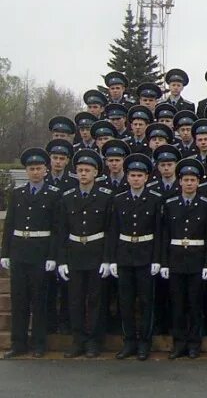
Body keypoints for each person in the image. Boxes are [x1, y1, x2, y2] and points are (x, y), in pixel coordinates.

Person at [1, 148, 61, 358]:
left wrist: (53, 256)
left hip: (41, 251)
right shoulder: (17, 193)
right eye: (31, 169)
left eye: (38, 168)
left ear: (46, 170)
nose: (35, 172)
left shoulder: (53, 194)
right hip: (19, 251)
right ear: (26, 171)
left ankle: (38, 343)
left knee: (39, 300)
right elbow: (9, 225)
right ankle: (18, 343)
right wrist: (5, 252)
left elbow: (56, 229)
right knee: (19, 300)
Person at [56, 149, 114, 359]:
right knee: (75, 300)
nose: (83, 174)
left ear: (96, 172)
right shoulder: (68, 197)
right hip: (74, 254)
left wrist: (108, 259)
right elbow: (61, 231)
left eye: (87, 170)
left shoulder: (106, 197)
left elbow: (110, 230)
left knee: (96, 300)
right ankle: (78, 340)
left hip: (97, 252)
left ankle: (94, 341)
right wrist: (61, 260)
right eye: (80, 170)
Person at [160, 158, 207, 360]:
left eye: (193, 180)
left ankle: (194, 343)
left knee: (195, 304)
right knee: (177, 305)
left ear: (198, 182)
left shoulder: (206, 205)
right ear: (180, 182)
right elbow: (165, 235)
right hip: (175, 260)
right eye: (186, 180)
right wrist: (164, 262)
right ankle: (179, 343)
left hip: (197, 260)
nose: (189, 183)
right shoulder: (171, 204)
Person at [109, 153, 163, 360]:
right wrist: (112, 259)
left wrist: (157, 259)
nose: (136, 179)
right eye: (132, 175)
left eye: (140, 175)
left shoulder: (155, 200)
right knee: (126, 301)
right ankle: (129, 340)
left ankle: (144, 343)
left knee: (146, 301)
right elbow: (113, 231)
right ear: (127, 177)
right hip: (124, 256)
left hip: (146, 255)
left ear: (147, 177)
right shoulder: (119, 199)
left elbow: (159, 232)